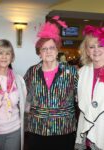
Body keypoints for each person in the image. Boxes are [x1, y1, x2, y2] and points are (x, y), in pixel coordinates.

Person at [24, 16, 78, 150]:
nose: (48, 51)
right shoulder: (31, 72)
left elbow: (80, 97)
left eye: (52, 48)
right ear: (39, 53)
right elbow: (26, 98)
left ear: (57, 50)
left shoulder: (71, 72)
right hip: (37, 129)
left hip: (64, 129)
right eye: (44, 49)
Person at [75, 25, 104, 150]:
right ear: (86, 51)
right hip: (85, 133)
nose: (96, 50)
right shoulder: (81, 72)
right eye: (91, 47)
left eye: (101, 45)